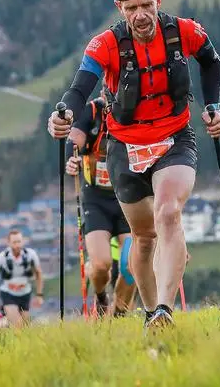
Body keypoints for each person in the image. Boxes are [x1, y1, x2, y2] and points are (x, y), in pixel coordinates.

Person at [48, 0, 220, 330]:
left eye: (146, 4)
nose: (141, 15)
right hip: (124, 148)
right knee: (144, 239)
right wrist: (63, 113)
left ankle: (164, 308)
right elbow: (81, 86)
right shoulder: (106, 44)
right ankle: (150, 313)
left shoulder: (184, 32)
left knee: (168, 214)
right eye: (131, 9)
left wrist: (213, 107)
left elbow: (211, 62)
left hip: (174, 138)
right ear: (120, 8)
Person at [65, 94, 136, 317]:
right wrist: (71, 158)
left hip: (126, 196)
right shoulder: (92, 112)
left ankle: (120, 315)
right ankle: (101, 297)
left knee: (132, 265)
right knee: (101, 264)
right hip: (95, 200)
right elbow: (74, 139)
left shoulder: (133, 111)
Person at [0, 229, 44, 328]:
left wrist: (39, 294)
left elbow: (39, 273)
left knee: (25, 326)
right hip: (8, 294)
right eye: (14, 242)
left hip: (25, 293)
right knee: (18, 324)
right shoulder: (1, 258)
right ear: (9, 243)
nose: (17, 245)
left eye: (19, 241)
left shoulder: (31, 255)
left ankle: (2, 326)